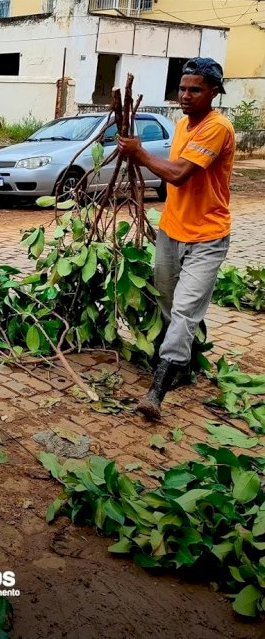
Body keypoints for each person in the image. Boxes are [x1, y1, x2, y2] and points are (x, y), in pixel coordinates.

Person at [117, 58, 235, 421]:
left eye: (195, 89)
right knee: (170, 305)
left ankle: (156, 391)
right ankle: (182, 364)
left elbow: (180, 174)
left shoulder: (217, 128)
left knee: (184, 311)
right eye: (182, 88)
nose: (185, 95)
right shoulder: (183, 124)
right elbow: (169, 173)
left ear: (213, 92)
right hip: (171, 230)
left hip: (207, 235)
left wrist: (139, 153)